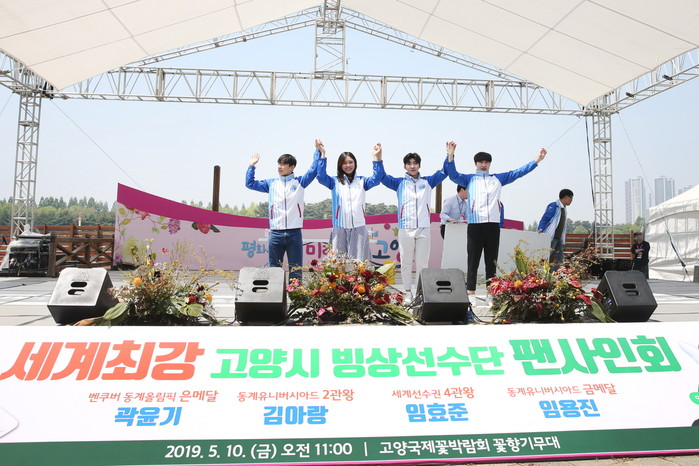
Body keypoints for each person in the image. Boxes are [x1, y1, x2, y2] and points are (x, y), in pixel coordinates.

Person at [446, 141, 547, 297]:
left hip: (492, 226)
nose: (483, 165)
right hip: (475, 225)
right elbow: (453, 175)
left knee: (491, 262)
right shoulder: (469, 179)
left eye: (486, 162)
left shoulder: (498, 179)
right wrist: (450, 155)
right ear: (475, 164)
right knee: (472, 261)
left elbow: (518, 172)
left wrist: (537, 160)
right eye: (480, 162)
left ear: (490, 164)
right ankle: (471, 293)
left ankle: (491, 293)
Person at [245, 140, 322, 282]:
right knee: (274, 269)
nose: (279, 167)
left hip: (294, 233)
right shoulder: (271, 184)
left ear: (292, 167)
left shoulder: (300, 182)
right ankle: (275, 293)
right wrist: (251, 166)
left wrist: (317, 151)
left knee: (295, 268)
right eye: (278, 164)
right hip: (275, 233)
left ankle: (295, 293)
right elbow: (250, 184)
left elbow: (313, 170)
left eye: (283, 164)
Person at [382, 150, 448, 300]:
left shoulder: (428, 182)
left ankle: (419, 293)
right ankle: (407, 292)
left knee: (422, 263)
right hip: (406, 228)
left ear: (419, 165)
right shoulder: (399, 183)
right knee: (406, 262)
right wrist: (377, 159)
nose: (412, 166)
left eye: (415, 163)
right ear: (405, 166)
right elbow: (382, 177)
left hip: (423, 228)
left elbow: (445, 172)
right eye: (409, 163)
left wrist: (449, 155)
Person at [316, 143, 385, 261]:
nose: (348, 165)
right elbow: (321, 177)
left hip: (359, 227)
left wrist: (377, 157)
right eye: (344, 163)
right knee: (337, 263)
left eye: (350, 162)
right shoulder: (334, 182)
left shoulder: (362, 181)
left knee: (359, 264)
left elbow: (378, 178)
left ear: (355, 164)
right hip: (339, 228)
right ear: (340, 165)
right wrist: (322, 153)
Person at [538, 189, 574, 271]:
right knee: (547, 256)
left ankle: (555, 274)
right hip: (551, 237)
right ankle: (543, 273)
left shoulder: (563, 208)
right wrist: (541, 228)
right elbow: (545, 218)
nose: (571, 200)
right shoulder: (554, 206)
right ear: (565, 197)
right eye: (571, 198)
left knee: (559, 258)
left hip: (558, 238)